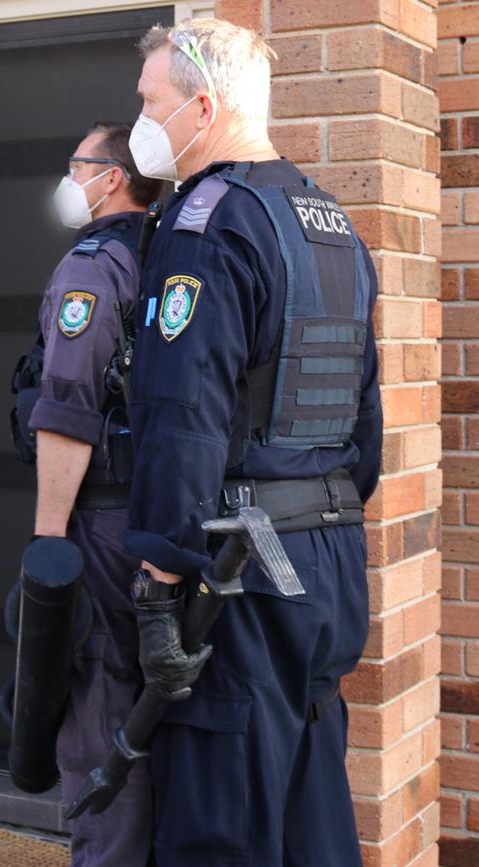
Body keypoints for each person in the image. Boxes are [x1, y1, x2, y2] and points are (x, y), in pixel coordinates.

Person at [124, 19, 383, 867]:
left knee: (221, 817)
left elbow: (181, 414)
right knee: (311, 806)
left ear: (203, 105)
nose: (143, 121)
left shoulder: (205, 225)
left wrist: (161, 583)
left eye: (151, 101)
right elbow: (365, 420)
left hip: (238, 571)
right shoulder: (330, 221)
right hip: (330, 557)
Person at [27, 121, 162, 866]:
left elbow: (69, 403)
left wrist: (49, 543)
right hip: (167, 524)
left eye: (75, 163)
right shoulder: (173, 251)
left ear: (110, 177)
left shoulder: (94, 263)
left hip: (104, 519)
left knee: (102, 708)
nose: (68, 178)